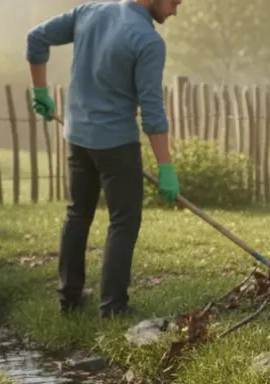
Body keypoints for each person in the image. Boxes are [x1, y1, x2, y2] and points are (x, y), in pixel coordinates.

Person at [26, 0, 185, 319]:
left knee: (78, 213)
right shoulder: (148, 40)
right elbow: (152, 115)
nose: (175, 11)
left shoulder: (90, 11)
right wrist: (166, 167)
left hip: (77, 136)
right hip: (115, 144)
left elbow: (36, 38)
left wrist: (40, 91)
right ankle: (113, 307)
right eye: (173, 2)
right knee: (124, 221)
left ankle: (68, 299)